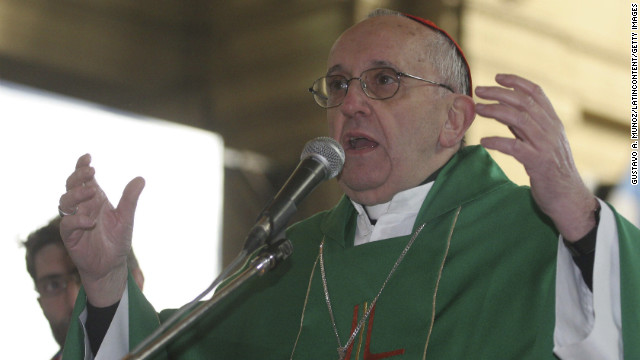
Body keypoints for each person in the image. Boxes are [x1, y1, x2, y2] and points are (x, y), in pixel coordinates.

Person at [58, 9, 639, 360]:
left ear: (455, 120)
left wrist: (582, 220)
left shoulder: (533, 236)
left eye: (383, 80)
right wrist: (107, 283)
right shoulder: (286, 258)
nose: (352, 102)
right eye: (338, 85)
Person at [22, 216, 144, 360]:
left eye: (88, 275)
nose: (74, 301)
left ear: (136, 280)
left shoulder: (175, 344)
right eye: (53, 285)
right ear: (41, 303)